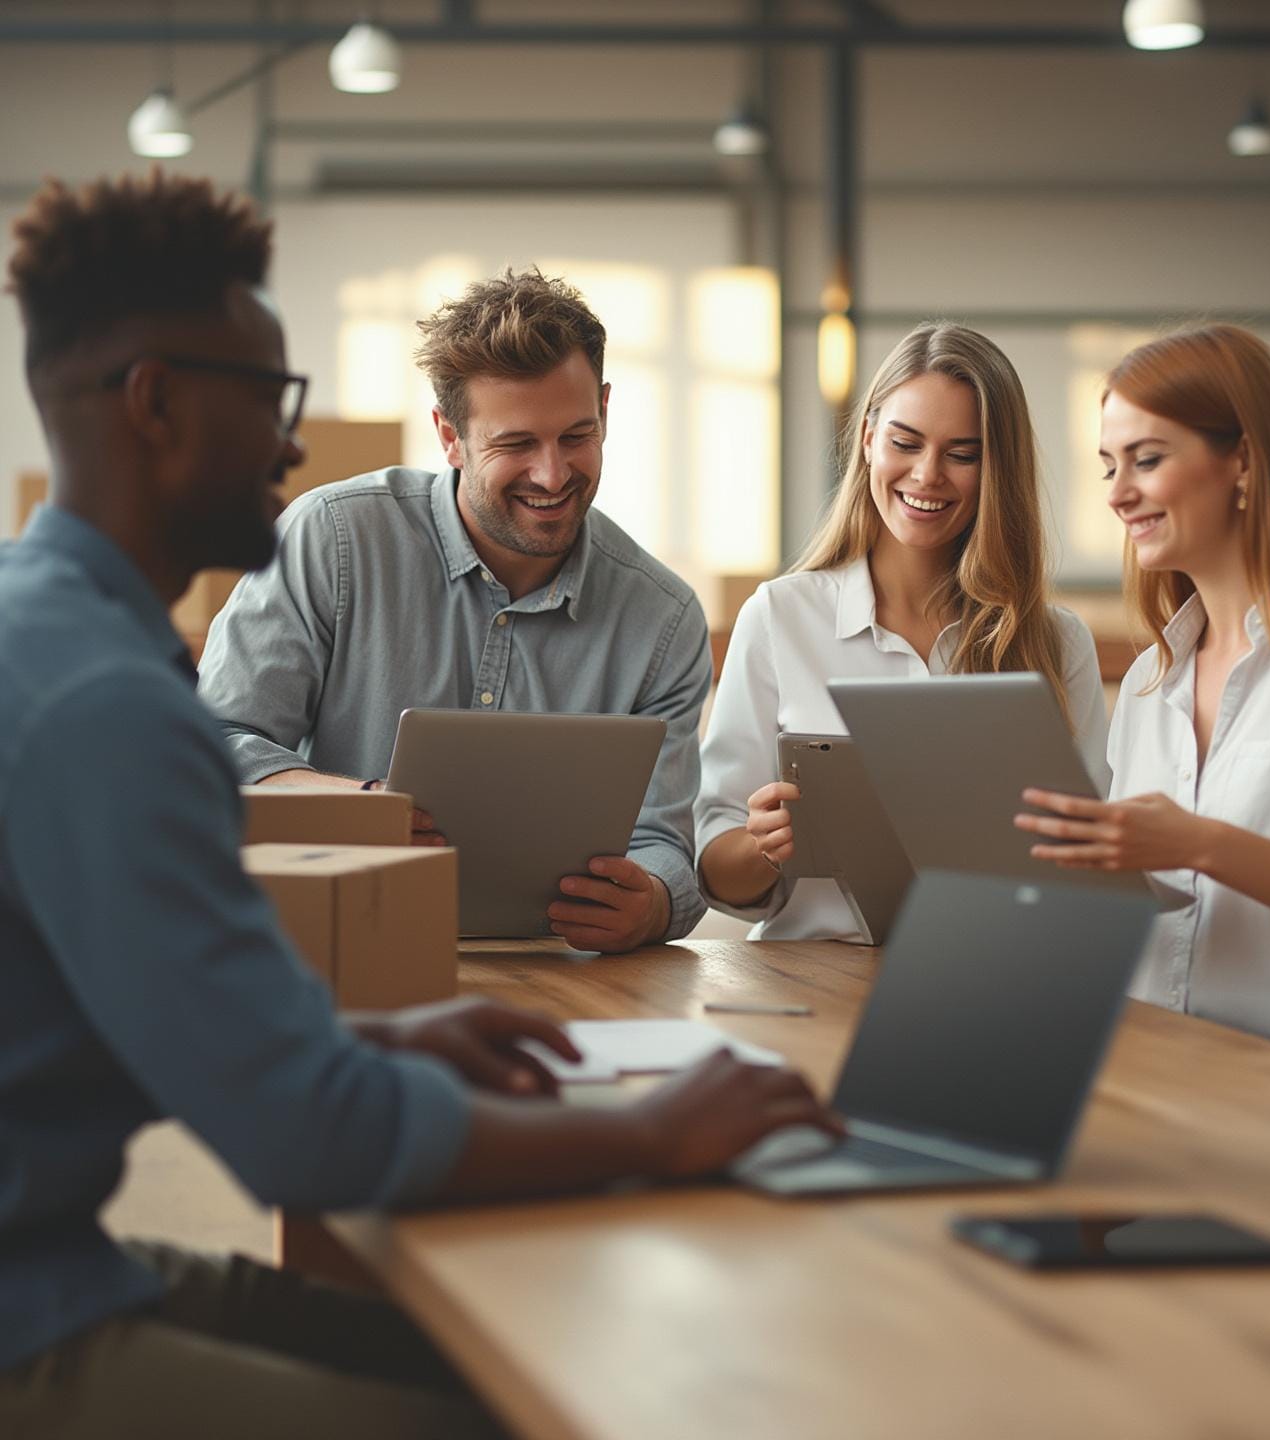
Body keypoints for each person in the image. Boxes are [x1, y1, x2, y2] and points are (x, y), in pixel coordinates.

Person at [0, 170, 837, 1437]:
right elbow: (300, 1138)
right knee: (523, 1410)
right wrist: (653, 1134)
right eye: (270, 400)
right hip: (27, 1314)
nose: (292, 442)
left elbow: (136, 1029)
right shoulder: (109, 704)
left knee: (463, 1360)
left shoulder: (54, 638)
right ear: (156, 406)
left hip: (52, 1256)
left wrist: (374, 1040)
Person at [197, 269, 709, 954]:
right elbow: (217, 743)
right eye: (516, 444)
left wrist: (650, 903)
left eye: (576, 436)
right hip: (335, 942)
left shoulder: (664, 618)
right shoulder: (333, 539)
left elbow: (665, 841)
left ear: (606, 412)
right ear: (449, 435)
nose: (553, 475)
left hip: (557, 969)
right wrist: (363, 808)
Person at [1015, 324, 1270, 1084]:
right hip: (1164, 1096)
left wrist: (1198, 844)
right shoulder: (1148, 682)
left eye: (1147, 460)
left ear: (1242, 459)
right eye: (1111, 465)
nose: (1117, 493)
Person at [696, 323, 1108, 940]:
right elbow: (716, 872)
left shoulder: (1056, 643)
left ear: (997, 468)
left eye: (963, 454)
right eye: (905, 442)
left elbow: (1090, 871)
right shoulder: (780, 617)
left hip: (987, 978)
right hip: (806, 984)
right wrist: (762, 845)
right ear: (867, 440)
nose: (927, 475)